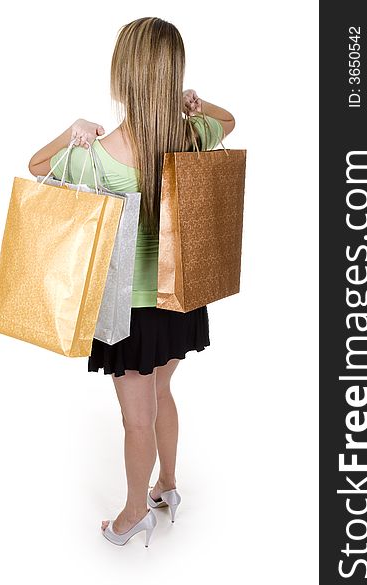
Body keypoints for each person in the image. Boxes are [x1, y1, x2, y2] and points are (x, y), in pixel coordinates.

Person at [28, 16, 235, 547]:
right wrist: (197, 103)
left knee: (136, 418)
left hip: (129, 313)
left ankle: (131, 513)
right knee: (163, 391)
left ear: (122, 75)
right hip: (180, 299)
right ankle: (167, 485)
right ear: (171, 74)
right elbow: (228, 121)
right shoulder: (194, 134)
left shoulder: (96, 155)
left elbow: (38, 166)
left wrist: (75, 125)